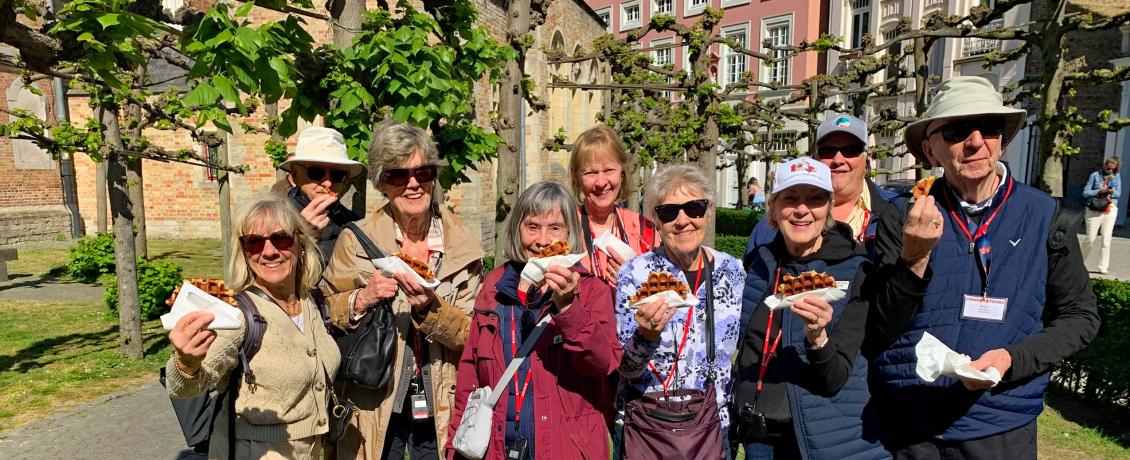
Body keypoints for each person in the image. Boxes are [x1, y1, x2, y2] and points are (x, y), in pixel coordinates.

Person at [872, 76, 1101, 458]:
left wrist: (1013, 360)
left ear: (1002, 139)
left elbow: (1080, 317)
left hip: (1000, 423)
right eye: (958, 130)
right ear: (931, 150)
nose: (976, 141)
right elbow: (878, 327)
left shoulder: (1044, 215)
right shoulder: (902, 215)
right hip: (912, 423)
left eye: (989, 127)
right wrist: (914, 256)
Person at [731, 158, 939, 459]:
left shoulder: (855, 271)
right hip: (760, 437)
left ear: (828, 209)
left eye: (815, 199)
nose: (802, 209)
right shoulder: (760, 265)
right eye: (790, 198)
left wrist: (818, 339)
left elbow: (835, 377)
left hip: (823, 442)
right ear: (774, 209)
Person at [321, 121, 484, 460]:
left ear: (433, 176)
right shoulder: (356, 241)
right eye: (398, 176)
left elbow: (476, 334)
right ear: (382, 183)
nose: (412, 184)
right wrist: (362, 298)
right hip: (374, 398)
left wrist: (431, 309)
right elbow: (323, 312)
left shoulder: (463, 244)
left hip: (443, 398)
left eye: (422, 173)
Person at [446, 181, 623, 460]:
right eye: (532, 227)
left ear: (570, 234)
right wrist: (455, 443)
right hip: (499, 447)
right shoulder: (493, 290)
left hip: (568, 448)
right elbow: (471, 375)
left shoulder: (591, 291)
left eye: (554, 228)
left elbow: (602, 363)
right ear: (517, 230)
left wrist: (568, 308)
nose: (542, 240)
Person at [165, 194, 341, 459]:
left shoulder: (310, 301)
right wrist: (186, 362)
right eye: (254, 242)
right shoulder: (239, 315)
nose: (269, 252)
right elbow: (188, 387)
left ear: (300, 243)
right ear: (244, 252)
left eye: (281, 238)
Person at [614, 165, 746, 458]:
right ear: (656, 221)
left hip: (714, 424)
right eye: (669, 212)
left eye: (694, 208)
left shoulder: (732, 272)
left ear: (708, 211)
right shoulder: (635, 275)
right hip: (648, 426)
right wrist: (646, 336)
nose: (683, 220)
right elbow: (624, 368)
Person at [746, 113, 899, 265]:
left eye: (850, 150)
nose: (838, 160)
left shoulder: (897, 213)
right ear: (816, 158)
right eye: (828, 151)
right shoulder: (772, 223)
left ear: (867, 158)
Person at [569, 125, 657, 288]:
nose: (601, 182)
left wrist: (633, 283)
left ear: (622, 173)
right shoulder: (563, 227)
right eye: (590, 173)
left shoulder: (644, 231)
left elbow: (663, 293)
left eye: (609, 170)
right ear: (577, 177)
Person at [277, 127, 367, 264]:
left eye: (338, 174)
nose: (327, 183)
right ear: (295, 174)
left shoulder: (354, 224)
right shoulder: (275, 219)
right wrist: (301, 239)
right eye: (316, 172)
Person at [1082, 156, 1121, 275]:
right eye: (1108, 168)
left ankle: (1103, 266)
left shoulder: (1116, 177)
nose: (1109, 171)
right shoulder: (1095, 175)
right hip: (1094, 209)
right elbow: (1085, 193)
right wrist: (1098, 191)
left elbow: (1118, 194)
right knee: (1090, 239)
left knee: (1106, 239)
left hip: (1109, 209)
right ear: (1104, 165)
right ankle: (1079, 262)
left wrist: (1111, 192)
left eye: (1112, 169)